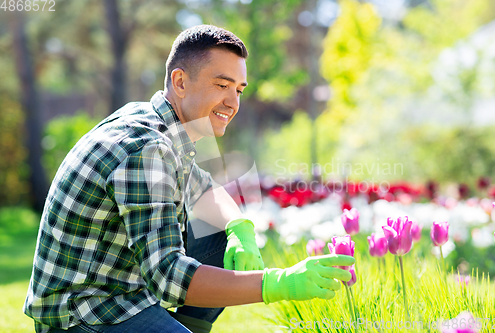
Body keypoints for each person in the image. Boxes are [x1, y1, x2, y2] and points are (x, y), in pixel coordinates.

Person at [24, 25, 354, 333]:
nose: (233, 102)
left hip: (123, 289)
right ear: (180, 82)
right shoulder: (146, 148)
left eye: (239, 89)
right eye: (222, 85)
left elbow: (204, 189)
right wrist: (277, 283)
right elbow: (168, 275)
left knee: (220, 234)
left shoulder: (165, 125)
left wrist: (241, 229)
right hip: (84, 313)